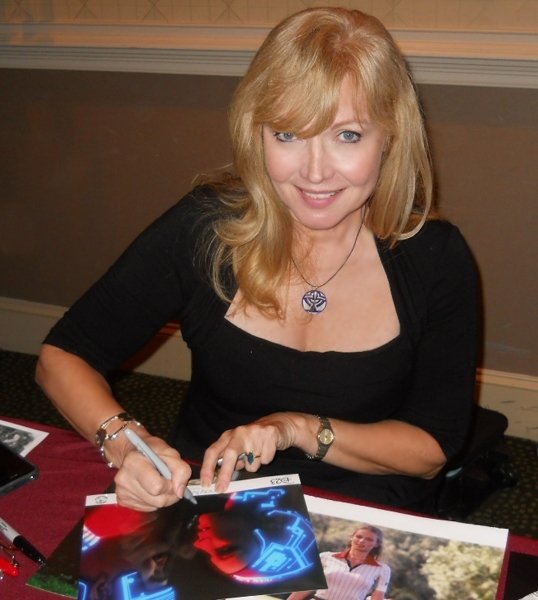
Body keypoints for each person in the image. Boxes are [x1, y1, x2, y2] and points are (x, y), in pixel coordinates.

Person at [35, 7, 480, 514]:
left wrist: (299, 429)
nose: (315, 172)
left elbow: (430, 450)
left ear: (390, 138)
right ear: (256, 133)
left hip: (363, 517)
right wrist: (126, 443)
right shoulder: (206, 228)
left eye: (347, 135)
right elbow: (63, 356)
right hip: (212, 501)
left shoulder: (433, 256)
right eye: (287, 134)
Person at [289, 524, 390, 600]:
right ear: (352, 537)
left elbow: (377, 597)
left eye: (369, 539)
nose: (361, 541)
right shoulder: (325, 557)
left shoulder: (383, 569)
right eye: (358, 536)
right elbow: (307, 587)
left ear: (377, 544)